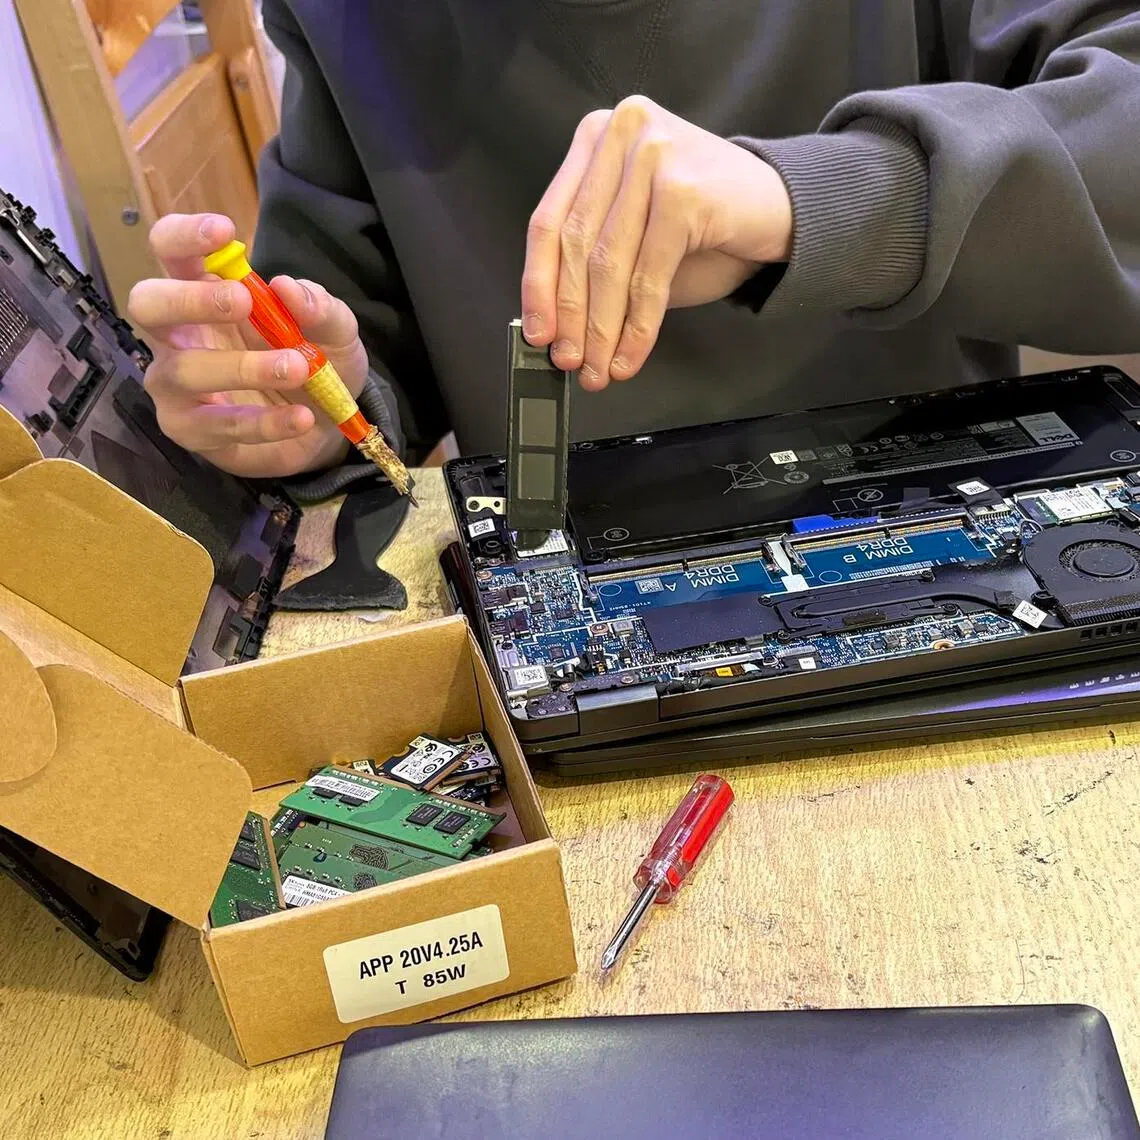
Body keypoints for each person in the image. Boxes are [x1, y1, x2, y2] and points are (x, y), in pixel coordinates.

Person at [128, 1, 1140, 489]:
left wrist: (817, 200)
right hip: (564, 600)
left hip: (938, 533)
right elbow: (360, 334)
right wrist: (314, 407)